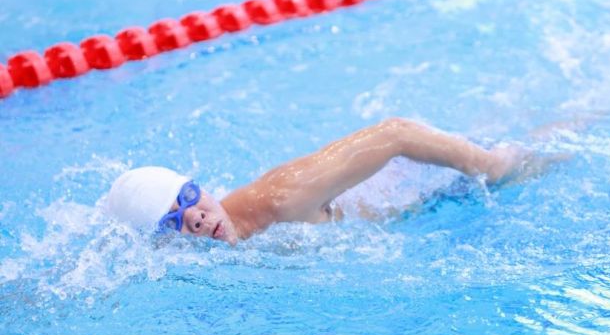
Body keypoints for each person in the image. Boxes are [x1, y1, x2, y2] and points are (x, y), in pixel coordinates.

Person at [105, 117, 563, 246]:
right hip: (414, 199)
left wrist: (489, 166)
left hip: (424, 180)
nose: (197, 218)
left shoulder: (280, 199)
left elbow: (397, 133)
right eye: (174, 221)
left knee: (546, 150)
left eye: (189, 197)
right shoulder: (210, 248)